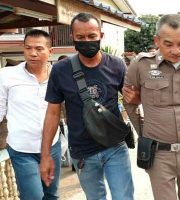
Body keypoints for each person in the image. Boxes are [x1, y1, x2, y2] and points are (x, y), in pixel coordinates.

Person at [39, 13, 134, 200]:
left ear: (101, 36)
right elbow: (52, 113)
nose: (86, 41)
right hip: (82, 152)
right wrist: (46, 155)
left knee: (124, 197)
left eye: (92, 36)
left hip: (114, 145)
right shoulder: (61, 70)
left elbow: (133, 100)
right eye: (80, 37)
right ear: (73, 37)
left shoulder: (117, 65)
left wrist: (135, 97)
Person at [123, 14, 180, 200]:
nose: (176, 50)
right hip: (158, 155)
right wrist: (144, 132)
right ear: (156, 41)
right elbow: (129, 101)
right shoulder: (140, 65)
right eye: (168, 44)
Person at [0, 29, 61, 199]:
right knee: (32, 196)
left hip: (52, 146)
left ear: (50, 51)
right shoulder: (7, 75)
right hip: (22, 149)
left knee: (51, 194)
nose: (33, 53)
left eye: (39, 49)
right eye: (28, 48)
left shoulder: (59, 76)